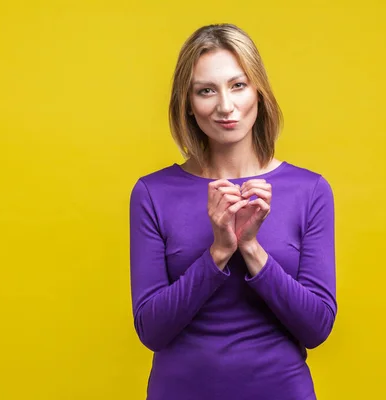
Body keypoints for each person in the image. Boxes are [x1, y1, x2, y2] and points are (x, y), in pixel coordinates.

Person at [129, 23, 337, 400]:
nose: (225, 106)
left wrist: (252, 248)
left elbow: (317, 327)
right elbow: (151, 331)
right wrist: (218, 252)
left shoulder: (310, 191)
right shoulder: (152, 193)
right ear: (189, 105)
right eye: (206, 91)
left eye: (238, 85)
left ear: (259, 92)